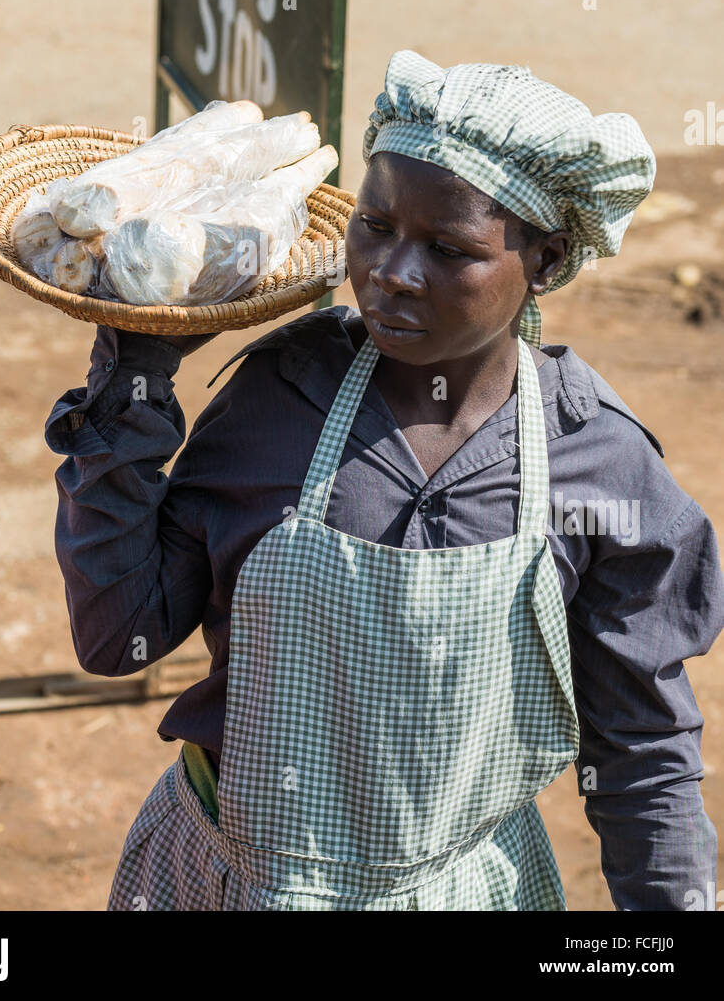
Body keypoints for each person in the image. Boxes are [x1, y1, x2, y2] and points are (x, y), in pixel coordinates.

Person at [46, 51, 724, 911]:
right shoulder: (279, 400)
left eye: (448, 249)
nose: (392, 272)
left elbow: (641, 754)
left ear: (545, 261)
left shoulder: (597, 463)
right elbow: (117, 637)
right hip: (227, 879)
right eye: (374, 225)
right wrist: (132, 382)